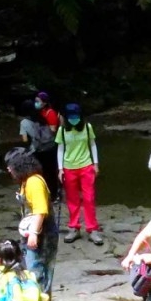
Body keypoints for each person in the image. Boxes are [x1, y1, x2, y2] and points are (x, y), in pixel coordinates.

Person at [6, 148, 58, 288]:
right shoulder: (25, 182)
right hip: (31, 233)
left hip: (43, 234)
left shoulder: (34, 182)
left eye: (10, 166)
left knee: (38, 271)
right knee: (30, 270)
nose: (8, 169)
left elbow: (41, 210)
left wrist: (33, 234)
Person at [58, 102, 100, 240]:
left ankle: (92, 229)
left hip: (86, 166)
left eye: (75, 116)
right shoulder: (62, 130)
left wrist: (95, 164)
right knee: (72, 200)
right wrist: (60, 169)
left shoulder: (87, 128)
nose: (73, 118)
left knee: (89, 198)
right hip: (69, 167)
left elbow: (92, 144)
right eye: (71, 116)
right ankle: (74, 228)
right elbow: (60, 149)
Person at [29, 91, 62, 196]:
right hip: (40, 146)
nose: (36, 103)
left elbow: (53, 130)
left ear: (44, 102)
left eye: (38, 101)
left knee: (51, 170)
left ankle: (53, 193)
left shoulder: (50, 113)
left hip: (49, 146)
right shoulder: (38, 113)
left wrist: (43, 126)